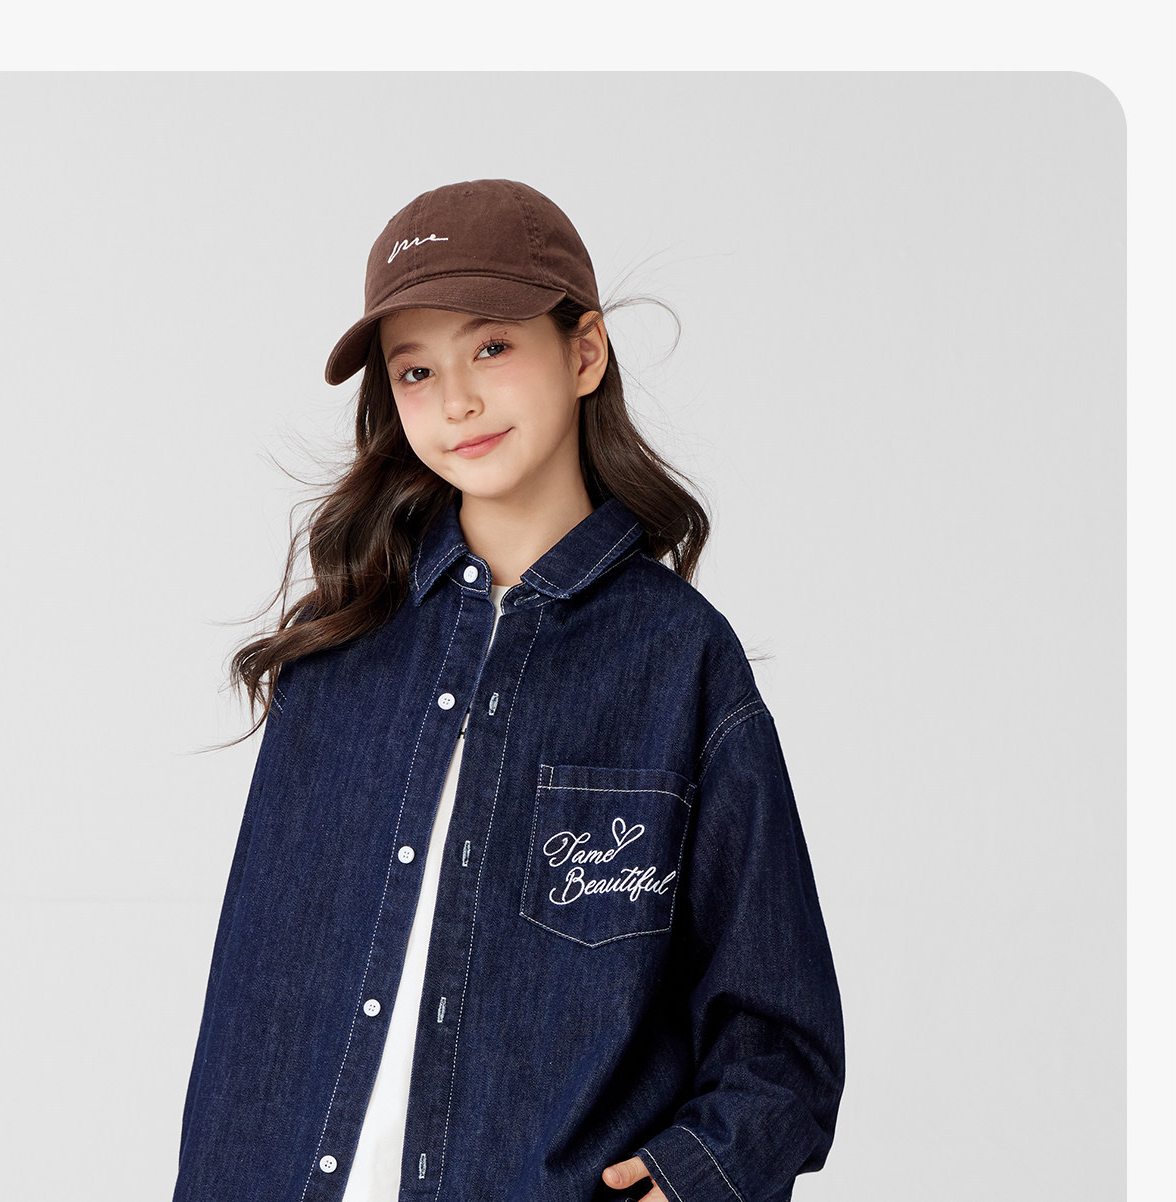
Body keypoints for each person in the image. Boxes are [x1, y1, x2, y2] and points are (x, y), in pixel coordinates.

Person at [171, 178, 844, 1202]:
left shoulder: (678, 660)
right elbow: (250, 1012)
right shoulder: (338, 658)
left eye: (491, 347)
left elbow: (781, 1033)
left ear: (585, 351)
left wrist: (696, 1175)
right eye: (416, 369)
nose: (457, 400)